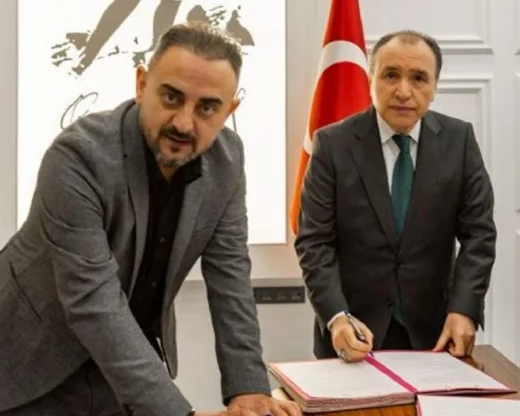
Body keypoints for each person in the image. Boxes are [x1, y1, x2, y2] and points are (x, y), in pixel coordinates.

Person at [0, 22, 299, 416]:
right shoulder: (77, 157)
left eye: (207, 107)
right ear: (142, 85)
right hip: (28, 366)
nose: (184, 123)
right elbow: (94, 302)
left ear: (229, 110)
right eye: (171, 97)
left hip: (127, 374)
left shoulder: (227, 159)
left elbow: (230, 275)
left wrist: (248, 388)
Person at [294, 29, 497, 363]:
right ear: (370, 80)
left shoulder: (459, 141)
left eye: (419, 78)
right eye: (391, 75)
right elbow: (314, 242)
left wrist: (464, 308)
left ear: (435, 86)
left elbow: (479, 235)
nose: (404, 91)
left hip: (435, 335)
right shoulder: (332, 144)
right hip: (352, 333)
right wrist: (336, 316)